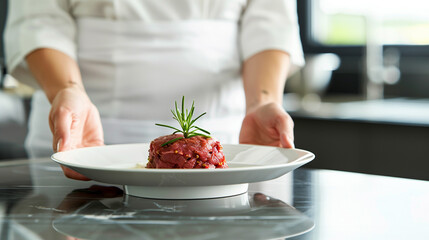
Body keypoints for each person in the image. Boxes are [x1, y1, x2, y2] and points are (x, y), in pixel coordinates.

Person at [5, 0, 304, 180]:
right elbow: (40, 20)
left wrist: (262, 102)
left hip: (228, 141)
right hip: (79, 133)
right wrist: (68, 90)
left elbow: (269, 21)